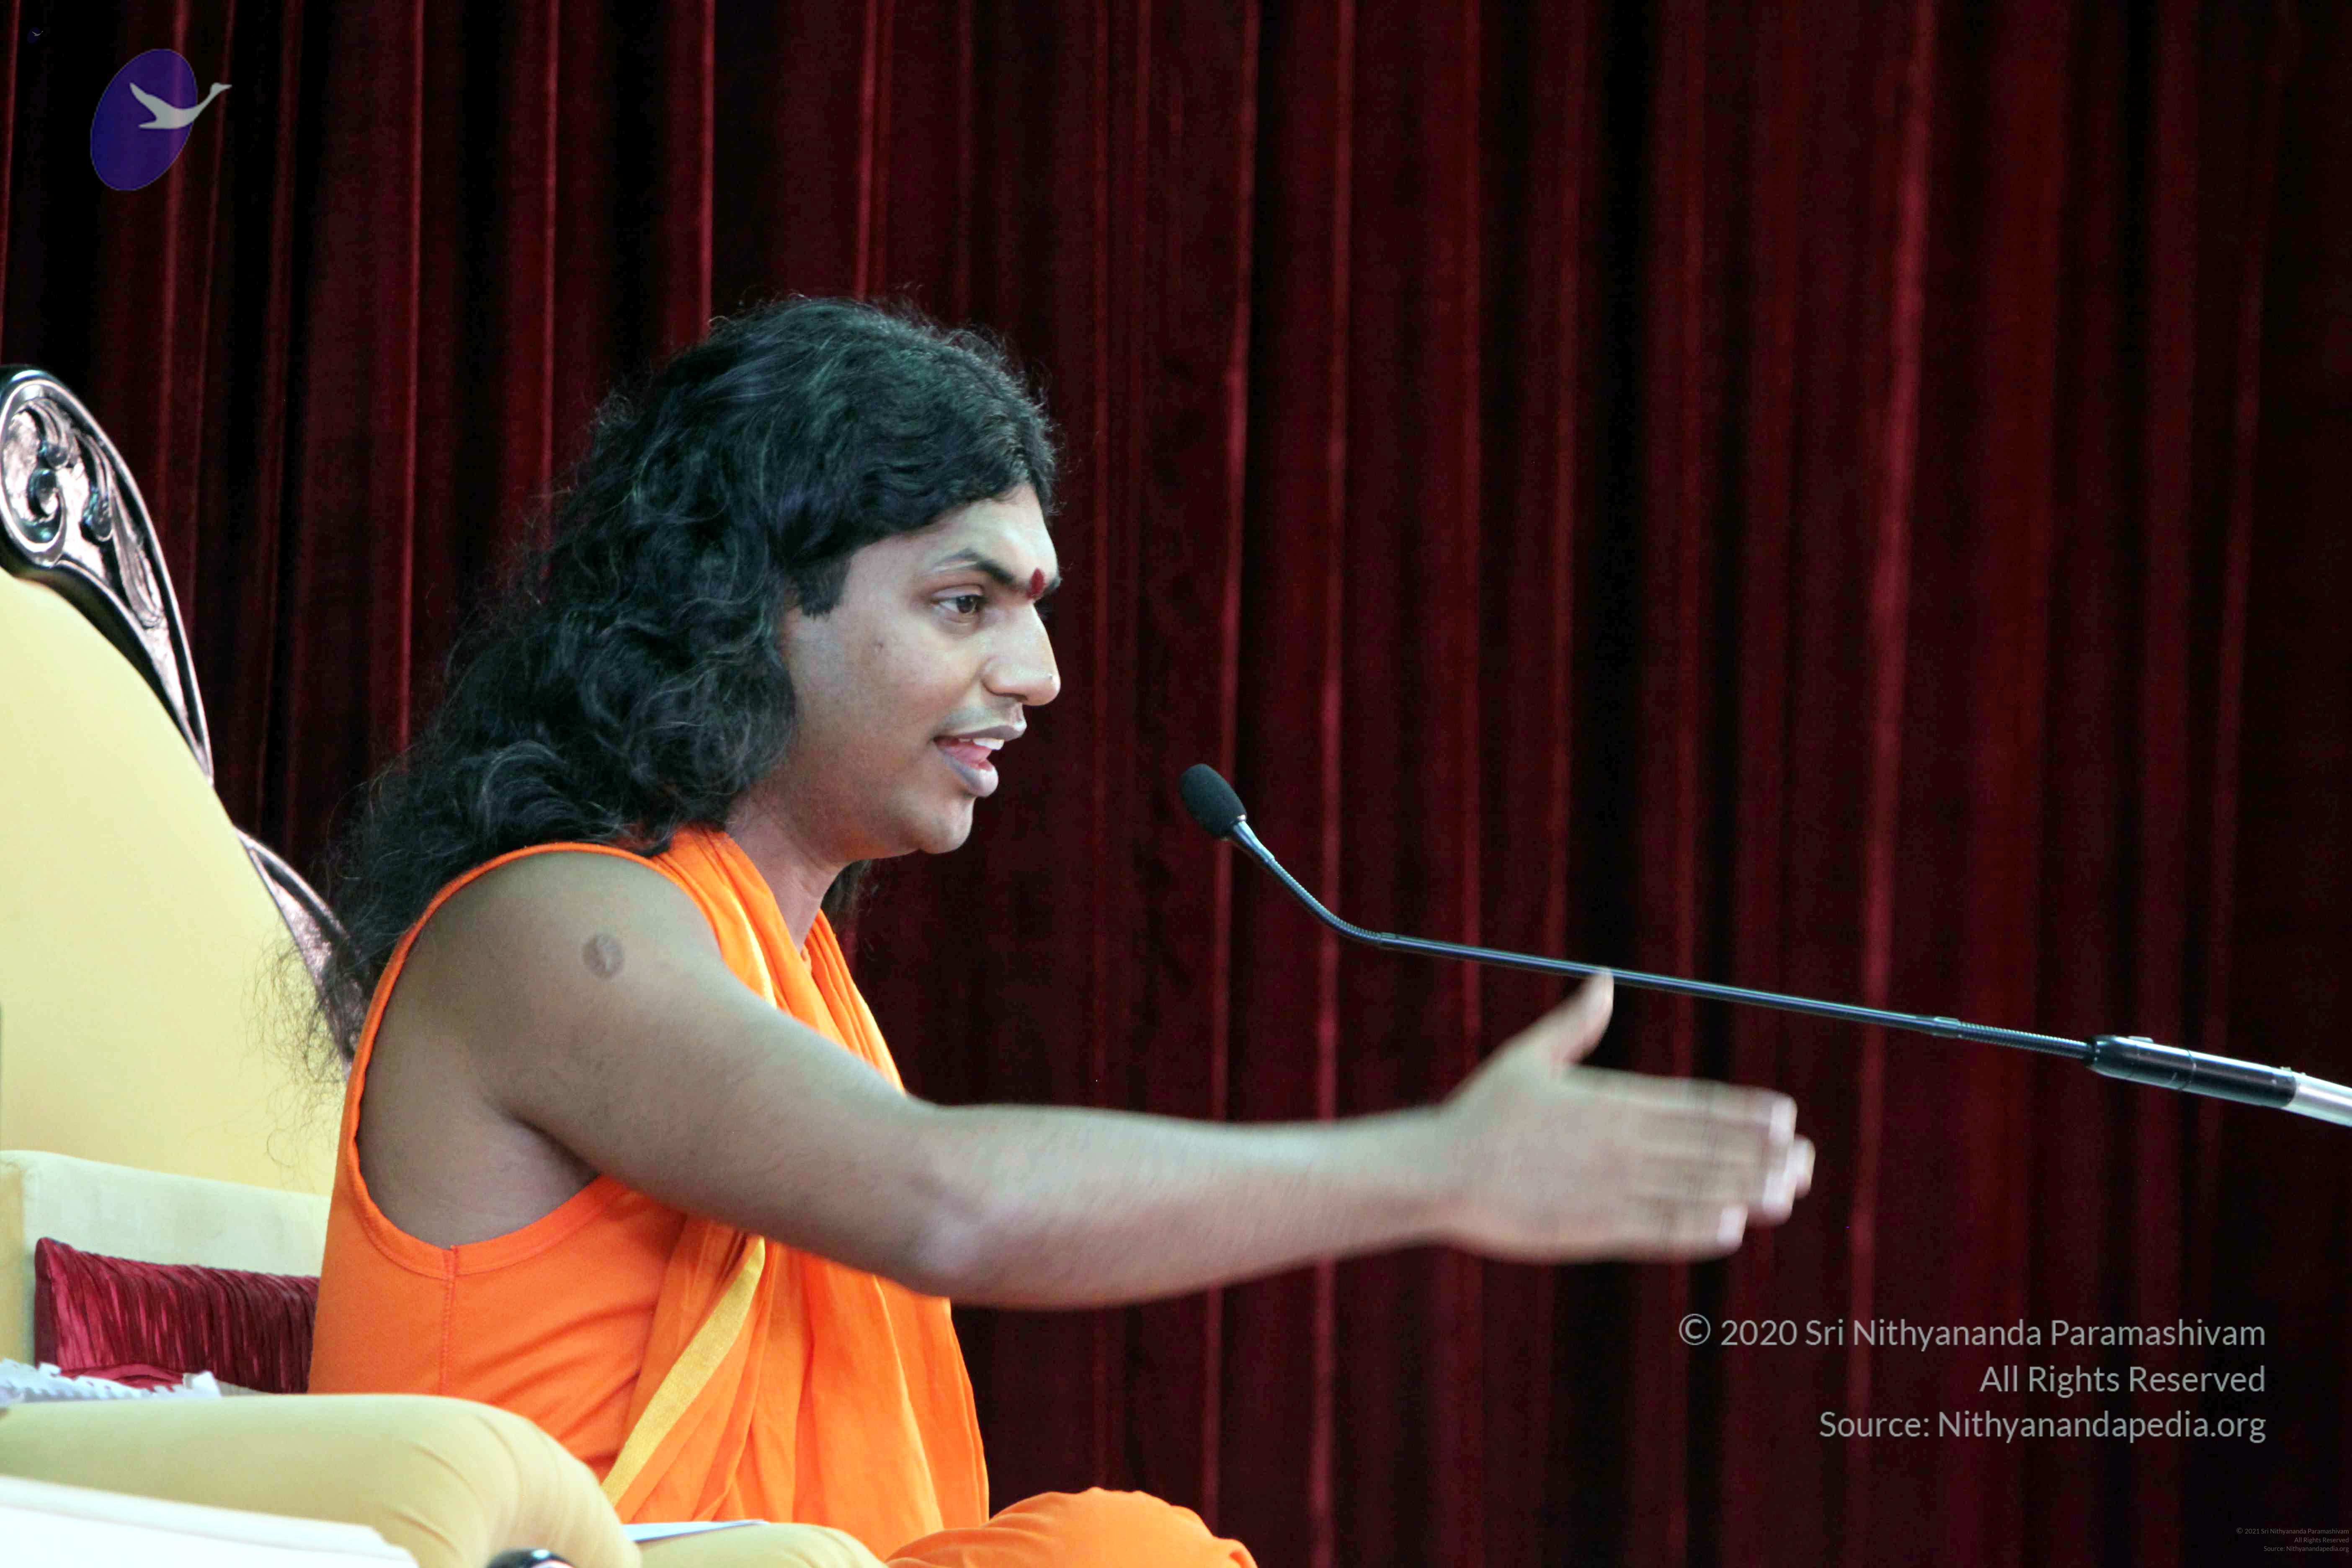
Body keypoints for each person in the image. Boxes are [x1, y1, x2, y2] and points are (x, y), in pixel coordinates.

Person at [304, 297, 1816, 1566]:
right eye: (965, 603)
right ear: (744, 605)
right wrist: (1439, 1166)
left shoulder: (793, 972)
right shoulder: (551, 924)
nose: (1039, 674)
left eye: (1028, 608)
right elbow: (944, 1203)